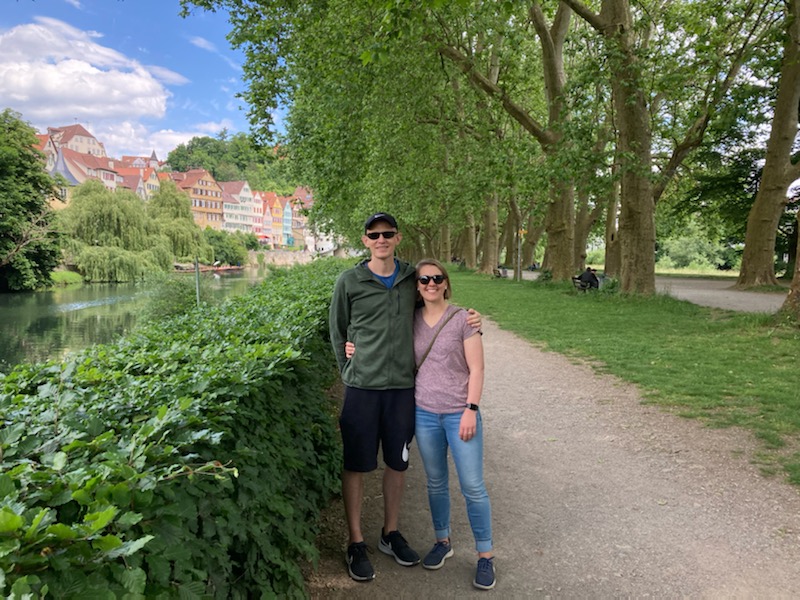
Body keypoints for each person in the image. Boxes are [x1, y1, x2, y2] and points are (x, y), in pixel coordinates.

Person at [329, 213, 481, 583]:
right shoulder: (349, 281)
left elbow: (434, 302)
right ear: (365, 240)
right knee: (357, 465)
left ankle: (390, 533)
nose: (381, 239)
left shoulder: (411, 279)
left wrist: (469, 319)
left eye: (388, 234)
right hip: (362, 389)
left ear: (398, 239)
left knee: (397, 464)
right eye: (374, 234)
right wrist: (348, 369)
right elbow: (337, 330)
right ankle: (356, 541)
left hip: (401, 391)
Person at [412, 258, 496, 590]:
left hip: (460, 413)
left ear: (446, 283)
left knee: (473, 487)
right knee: (435, 482)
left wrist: (471, 409)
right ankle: (442, 541)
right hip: (424, 414)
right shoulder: (410, 320)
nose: (430, 284)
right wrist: (352, 346)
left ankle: (485, 555)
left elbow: (477, 369)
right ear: (417, 288)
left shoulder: (464, 319)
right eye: (423, 280)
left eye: (437, 278)